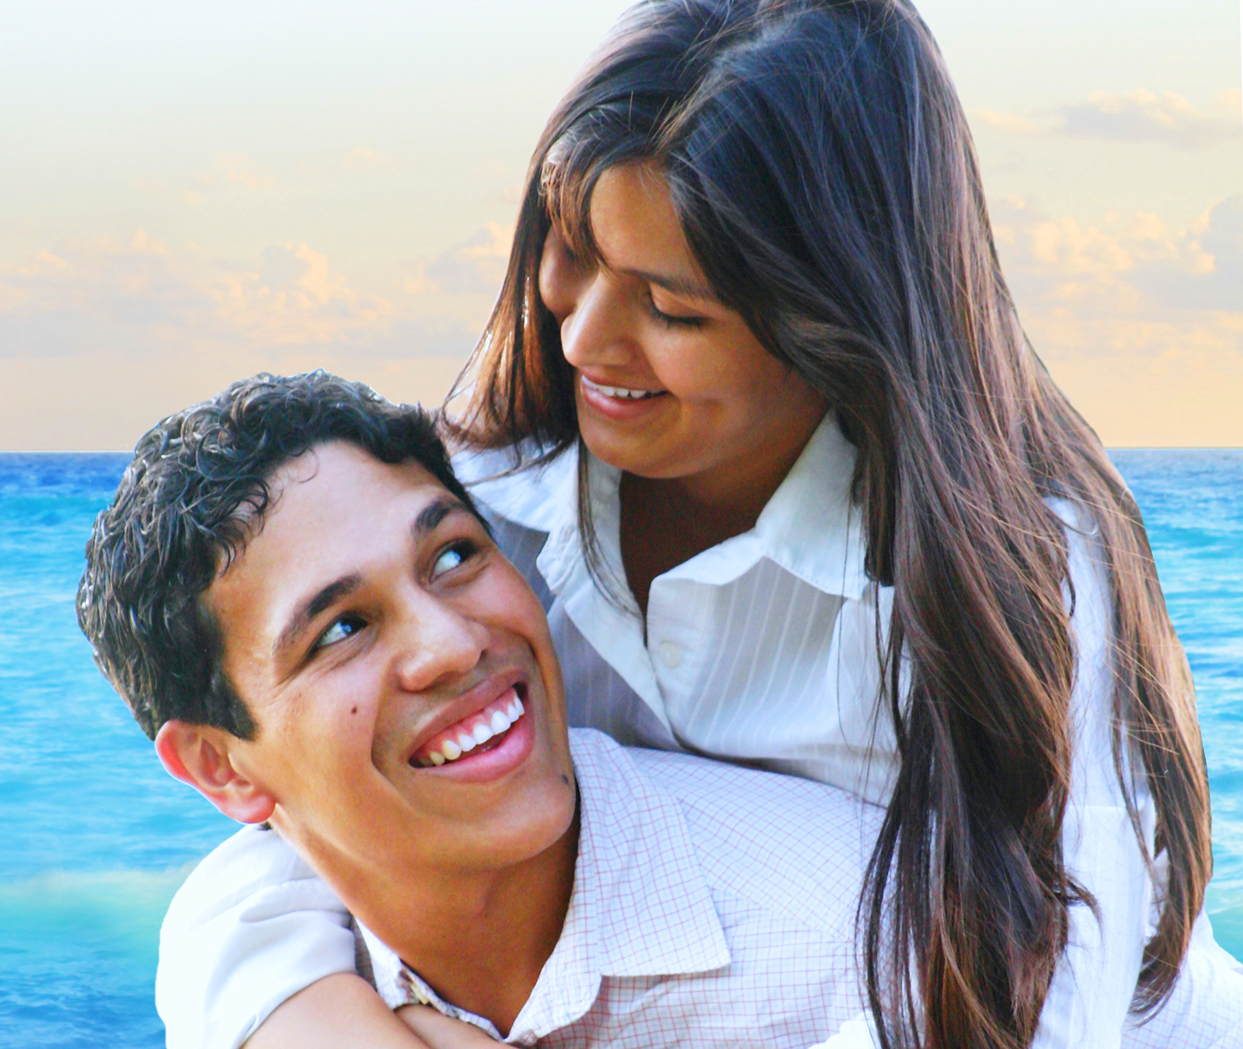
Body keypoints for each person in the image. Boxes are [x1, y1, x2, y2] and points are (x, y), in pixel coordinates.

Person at [153, 2, 1232, 1049]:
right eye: (569, 247)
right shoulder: (484, 511)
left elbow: (1060, 991)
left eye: (670, 309)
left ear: (833, 321)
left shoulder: (1017, 574)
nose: (583, 334)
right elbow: (306, 819)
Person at [80, 372, 893, 1047]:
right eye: (343, 628)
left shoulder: (868, 951)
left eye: (454, 554)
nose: (454, 644)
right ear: (221, 766)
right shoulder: (280, 966)